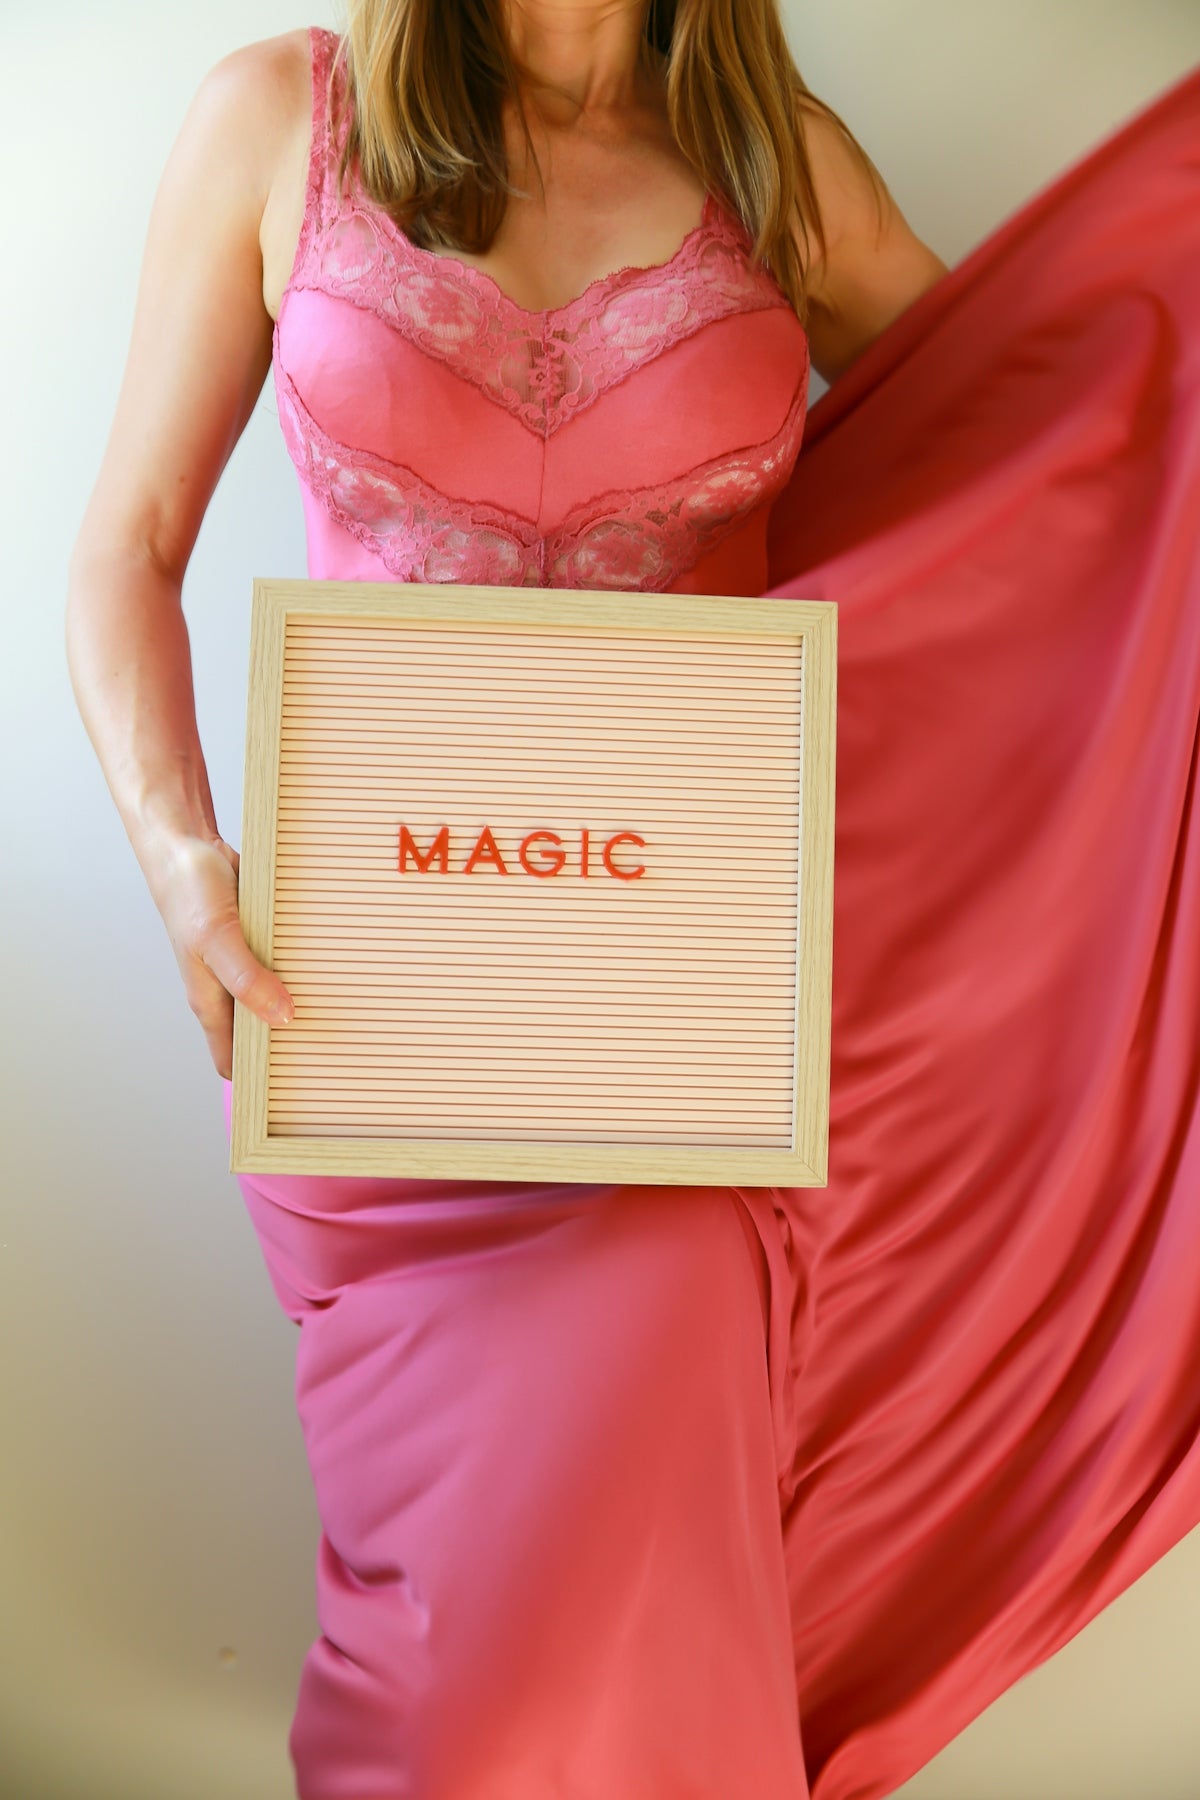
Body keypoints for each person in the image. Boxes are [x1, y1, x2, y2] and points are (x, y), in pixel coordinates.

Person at [66, 2, 1200, 1797]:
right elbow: (126, 549)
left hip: (682, 1067)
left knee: (630, 1469)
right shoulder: (279, 117)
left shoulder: (779, 165)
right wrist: (184, 862)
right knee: (470, 1661)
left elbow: (1056, 443)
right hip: (368, 1041)